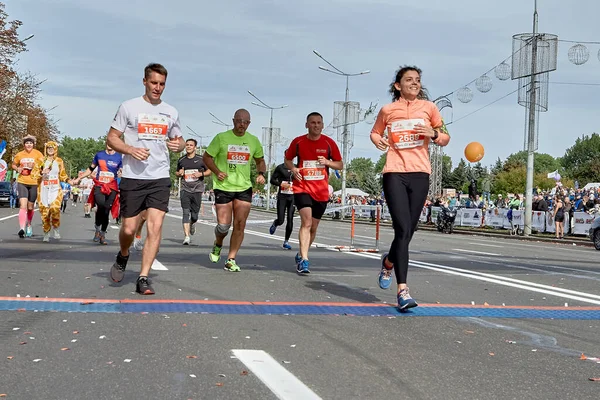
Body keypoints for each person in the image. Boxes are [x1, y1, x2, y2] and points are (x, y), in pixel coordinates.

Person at [370, 65, 450, 311]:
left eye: (417, 80)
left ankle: (389, 261)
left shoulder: (429, 108)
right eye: (409, 80)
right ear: (398, 85)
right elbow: (374, 132)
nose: (414, 83)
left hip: (420, 174)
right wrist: (379, 141)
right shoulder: (388, 110)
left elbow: (446, 137)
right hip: (394, 173)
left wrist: (433, 133)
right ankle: (403, 291)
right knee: (402, 227)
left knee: (408, 232)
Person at [107, 63, 185, 295]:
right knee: (129, 229)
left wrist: (177, 145)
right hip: (133, 176)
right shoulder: (129, 107)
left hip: (159, 176)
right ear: (144, 81)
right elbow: (112, 138)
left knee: (155, 226)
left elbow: (180, 140)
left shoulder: (171, 111)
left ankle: (143, 277)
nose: (158, 88)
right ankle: (123, 255)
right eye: (154, 83)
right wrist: (130, 150)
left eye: (162, 84)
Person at [203, 109, 265, 272]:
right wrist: (217, 171)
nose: (242, 125)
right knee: (223, 226)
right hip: (223, 186)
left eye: (245, 122)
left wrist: (261, 173)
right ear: (233, 121)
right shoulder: (221, 138)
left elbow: (260, 160)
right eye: (239, 121)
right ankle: (218, 243)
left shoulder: (253, 141)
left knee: (240, 224)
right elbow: (207, 157)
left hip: (244, 187)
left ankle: (231, 258)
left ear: (249, 124)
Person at [284, 112, 343, 274]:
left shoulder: (329, 143)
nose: (316, 125)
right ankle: (305, 260)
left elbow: (340, 165)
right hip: (302, 187)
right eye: (312, 123)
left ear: (322, 125)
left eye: (318, 123)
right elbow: (287, 159)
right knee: (307, 223)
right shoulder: (298, 142)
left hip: (321, 191)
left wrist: (328, 162)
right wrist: (294, 169)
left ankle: (302, 252)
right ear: (307, 125)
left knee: (314, 227)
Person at [72, 144, 122, 245]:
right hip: (99, 186)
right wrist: (79, 178)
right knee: (101, 206)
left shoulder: (119, 157)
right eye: (108, 142)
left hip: (112, 187)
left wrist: (121, 174)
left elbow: (122, 171)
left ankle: (102, 234)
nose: (110, 145)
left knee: (106, 210)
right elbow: (90, 169)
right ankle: (97, 228)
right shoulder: (99, 155)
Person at [175, 138, 211, 245]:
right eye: (187, 145)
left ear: (195, 147)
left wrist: (201, 174)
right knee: (185, 212)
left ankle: (192, 223)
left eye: (191, 145)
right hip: (185, 189)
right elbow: (177, 172)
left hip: (197, 190)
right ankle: (186, 236)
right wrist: (179, 173)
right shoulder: (181, 160)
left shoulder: (201, 159)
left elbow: (209, 171)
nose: (188, 147)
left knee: (194, 215)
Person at [32, 141, 68, 242]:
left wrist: (70, 181)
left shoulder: (59, 161)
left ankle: (56, 228)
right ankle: (46, 232)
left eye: (52, 148)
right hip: (43, 189)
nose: (50, 150)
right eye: (48, 148)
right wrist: (41, 172)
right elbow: (33, 175)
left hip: (55, 189)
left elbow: (63, 175)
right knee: (45, 213)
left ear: (56, 149)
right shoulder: (40, 161)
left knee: (55, 209)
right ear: (45, 149)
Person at [12, 135, 44, 238]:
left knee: (30, 207)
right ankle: (21, 228)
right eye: (27, 143)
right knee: (23, 205)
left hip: (34, 183)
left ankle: (29, 225)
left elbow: (44, 165)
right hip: (22, 181)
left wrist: (35, 166)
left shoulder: (38, 154)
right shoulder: (19, 154)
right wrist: (17, 169)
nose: (28, 145)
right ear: (24, 144)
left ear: (33, 144)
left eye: (30, 143)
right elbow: (13, 164)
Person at [268, 163, 295, 250]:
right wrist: (281, 184)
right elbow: (272, 180)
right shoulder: (280, 168)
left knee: (290, 219)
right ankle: (275, 223)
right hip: (282, 196)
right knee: (281, 220)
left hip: (292, 197)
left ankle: (286, 241)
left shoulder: (295, 167)